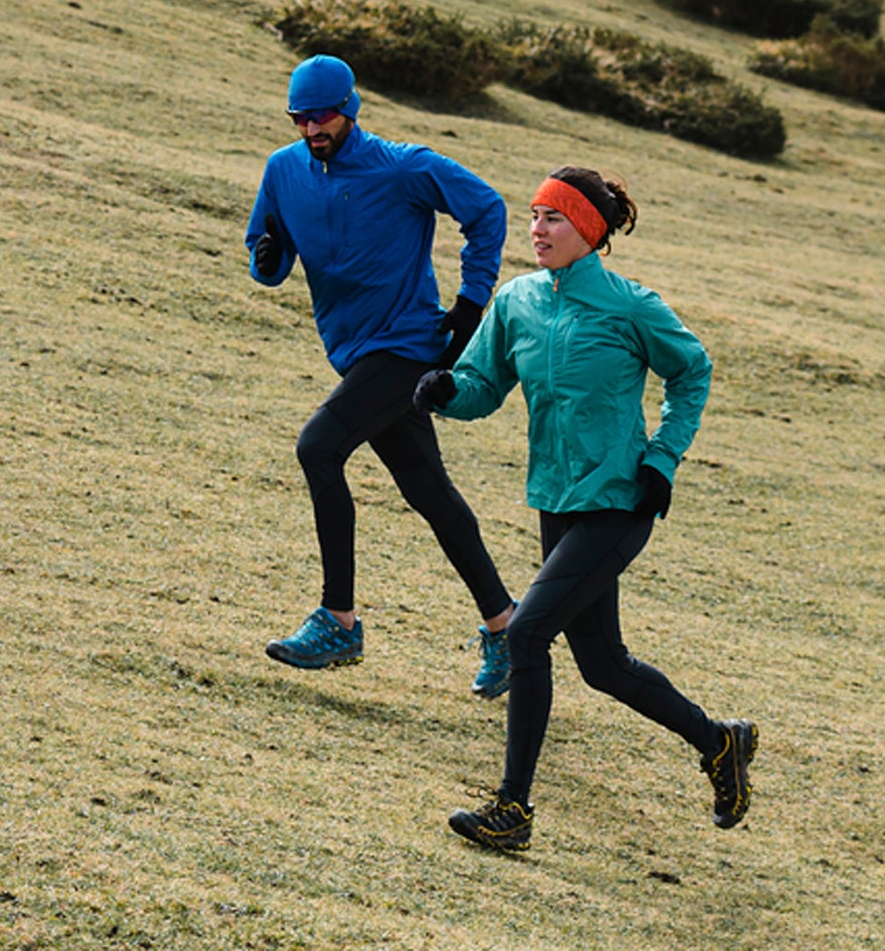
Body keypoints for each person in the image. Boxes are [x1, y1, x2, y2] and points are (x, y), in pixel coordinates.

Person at [414, 166, 755, 850]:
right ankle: (720, 743)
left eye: (553, 218)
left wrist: (662, 458)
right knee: (601, 664)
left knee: (527, 633)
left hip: (620, 499)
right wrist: (446, 392)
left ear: (589, 232)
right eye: (534, 215)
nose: (536, 229)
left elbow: (693, 369)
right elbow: (485, 384)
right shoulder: (517, 302)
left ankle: (512, 808)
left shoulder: (631, 306)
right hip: (557, 499)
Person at [244, 54, 518, 697]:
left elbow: (486, 210)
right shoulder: (284, 171)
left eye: (324, 115)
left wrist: (472, 303)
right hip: (354, 351)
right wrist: (265, 255)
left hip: (408, 346)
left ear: (351, 108)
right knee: (429, 492)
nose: (313, 128)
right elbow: (268, 253)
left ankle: (339, 620)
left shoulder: (403, 167)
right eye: (300, 118)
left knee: (318, 446)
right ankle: (509, 629)